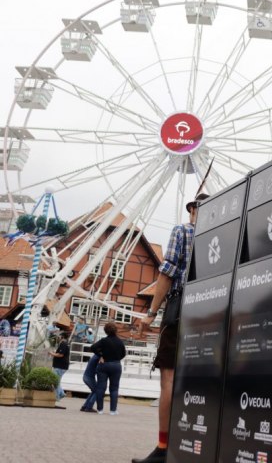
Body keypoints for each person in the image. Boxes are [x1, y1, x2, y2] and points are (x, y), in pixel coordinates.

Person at [132, 192, 207, 463]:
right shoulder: (224, 232)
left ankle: (164, 449)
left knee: (169, 379)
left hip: (180, 310)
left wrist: (151, 313)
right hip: (212, 311)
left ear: (191, 210)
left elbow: (168, 272)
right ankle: (194, 444)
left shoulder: (183, 231)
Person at [91, 322, 126, 415]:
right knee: (114, 388)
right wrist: (116, 359)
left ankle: (100, 410)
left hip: (104, 364)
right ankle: (113, 410)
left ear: (106, 331)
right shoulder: (120, 341)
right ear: (116, 330)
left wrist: (101, 355)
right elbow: (123, 354)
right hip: (116, 365)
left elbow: (93, 347)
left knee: (101, 388)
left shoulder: (103, 340)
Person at [49, 333, 70, 402]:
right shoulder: (63, 344)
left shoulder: (63, 344)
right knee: (57, 381)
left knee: (55, 381)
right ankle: (61, 393)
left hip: (60, 366)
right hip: (61, 366)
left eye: (59, 336)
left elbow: (61, 355)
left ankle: (58, 396)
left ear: (62, 337)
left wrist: (52, 354)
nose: (58, 338)